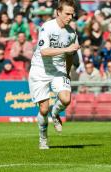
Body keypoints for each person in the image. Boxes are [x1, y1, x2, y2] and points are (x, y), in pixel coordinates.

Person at [28, 0, 80, 149]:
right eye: (67, 14)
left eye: (72, 14)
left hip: (58, 69)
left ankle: (55, 114)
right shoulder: (47, 27)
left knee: (66, 99)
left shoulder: (71, 33)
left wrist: (68, 71)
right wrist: (67, 49)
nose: (70, 17)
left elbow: (70, 56)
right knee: (43, 109)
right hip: (40, 69)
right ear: (58, 12)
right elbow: (44, 52)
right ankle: (43, 138)